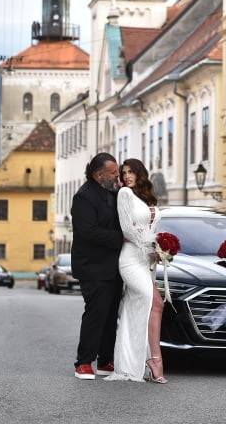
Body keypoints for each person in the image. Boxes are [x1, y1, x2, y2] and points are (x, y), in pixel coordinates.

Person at [104, 158, 167, 384]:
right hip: (131, 258)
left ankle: (140, 361)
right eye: (124, 173)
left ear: (140, 173)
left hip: (146, 261)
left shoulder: (147, 198)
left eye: (131, 172)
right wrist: (150, 246)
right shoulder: (124, 195)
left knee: (150, 306)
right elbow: (127, 229)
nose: (127, 176)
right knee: (154, 302)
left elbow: (153, 228)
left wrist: (161, 250)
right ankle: (155, 360)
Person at [71, 152, 123, 380]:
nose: (117, 176)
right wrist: (122, 238)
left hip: (113, 267)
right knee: (96, 313)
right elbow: (87, 231)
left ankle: (105, 360)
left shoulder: (113, 193)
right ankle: (83, 362)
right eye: (113, 173)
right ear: (98, 174)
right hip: (92, 267)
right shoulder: (84, 197)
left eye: (117, 172)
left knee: (111, 315)